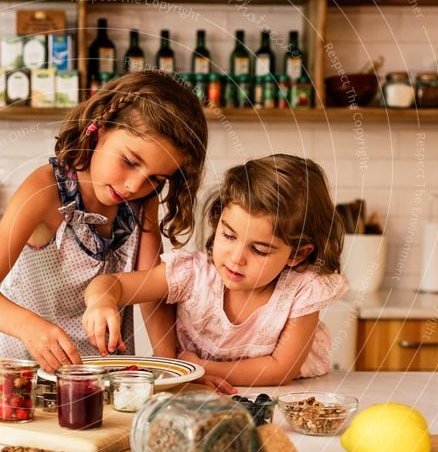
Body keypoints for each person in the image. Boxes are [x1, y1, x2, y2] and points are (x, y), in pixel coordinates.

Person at [0, 71, 208, 371]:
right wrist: (30, 328)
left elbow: (150, 291)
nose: (133, 186)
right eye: (129, 161)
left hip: (99, 373)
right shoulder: (45, 190)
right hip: (20, 366)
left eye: (156, 178)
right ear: (99, 129)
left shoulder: (143, 199)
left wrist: (172, 370)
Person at [83, 154, 348, 386]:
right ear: (218, 220)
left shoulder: (302, 291)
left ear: (298, 253)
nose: (236, 258)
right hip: (203, 395)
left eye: (259, 250)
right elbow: (112, 284)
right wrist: (102, 301)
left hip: (282, 397)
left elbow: (280, 369)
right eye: (229, 236)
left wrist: (201, 369)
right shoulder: (193, 275)